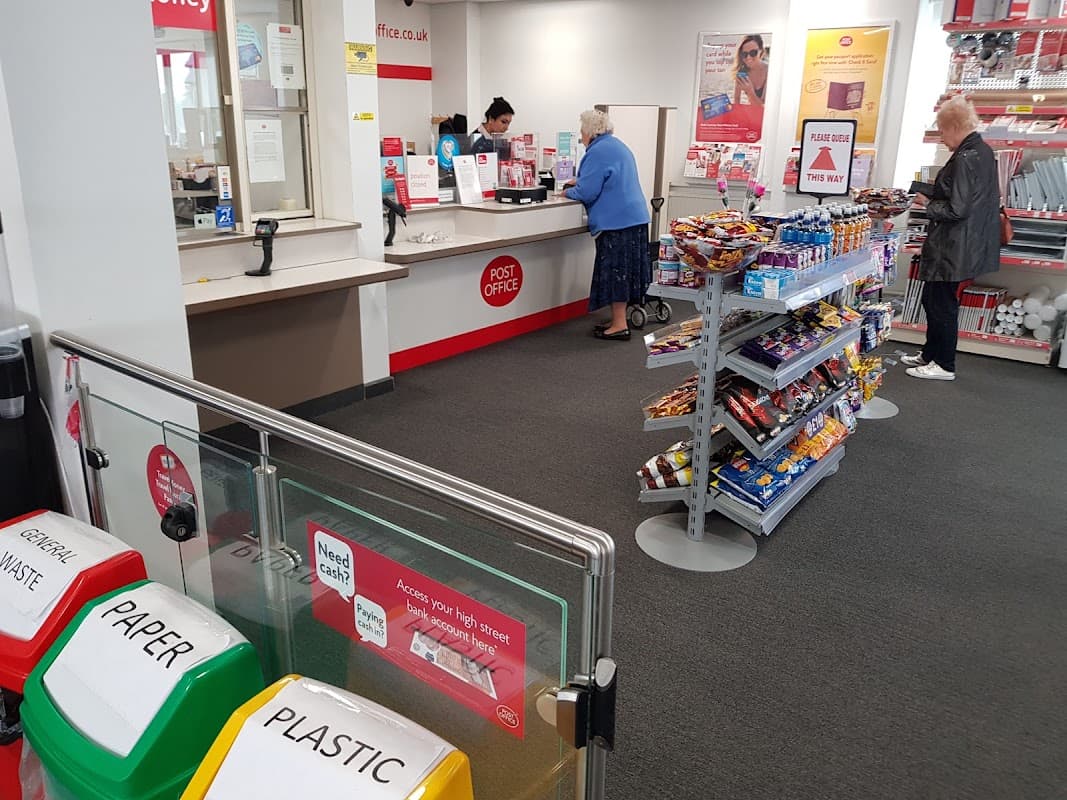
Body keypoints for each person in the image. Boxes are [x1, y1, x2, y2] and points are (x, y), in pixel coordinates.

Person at [903, 95, 999, 380]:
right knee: (934, 300)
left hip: (953, 246)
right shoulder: (980, 152)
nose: (942, 138)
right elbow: (963, 197)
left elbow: (957, 208)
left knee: (941, 304)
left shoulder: (967, 158)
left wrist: (925, 204)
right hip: (960, 244)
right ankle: (930, 353)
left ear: (954, 126)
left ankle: (944, 364)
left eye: (943, 131)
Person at [561, 109, 651, 340]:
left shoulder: (597, 151)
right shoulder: (616, 146)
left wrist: (567, 191)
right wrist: (580, 181)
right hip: (634, 218)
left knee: (615, 272)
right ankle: (617, 320)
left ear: (590, 132)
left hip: (617, 223)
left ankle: (619, 325)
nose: (581, 137)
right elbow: (608, 177)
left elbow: (588, 192)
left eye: (582, 132)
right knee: (626, 272)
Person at [732, 34, 769, 108]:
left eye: (753, 53)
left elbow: (764, 108)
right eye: (744, 54)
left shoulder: (769, 71)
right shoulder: (742, 73)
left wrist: (750, 92)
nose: (748, 57)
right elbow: (736, 100)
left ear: (761, 51)